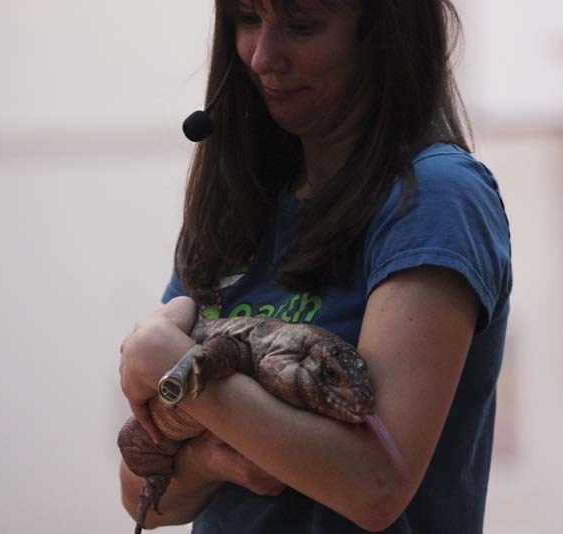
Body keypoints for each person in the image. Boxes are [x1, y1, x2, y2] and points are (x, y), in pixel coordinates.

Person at [118, 0, 512, 532]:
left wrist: (175, 367)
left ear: (381, 31)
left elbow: (375, 486)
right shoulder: (238, 202)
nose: (261, 57)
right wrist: (214, 459)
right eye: (247, 19)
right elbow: (143, 492)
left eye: (302, 26)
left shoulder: (434, 197)